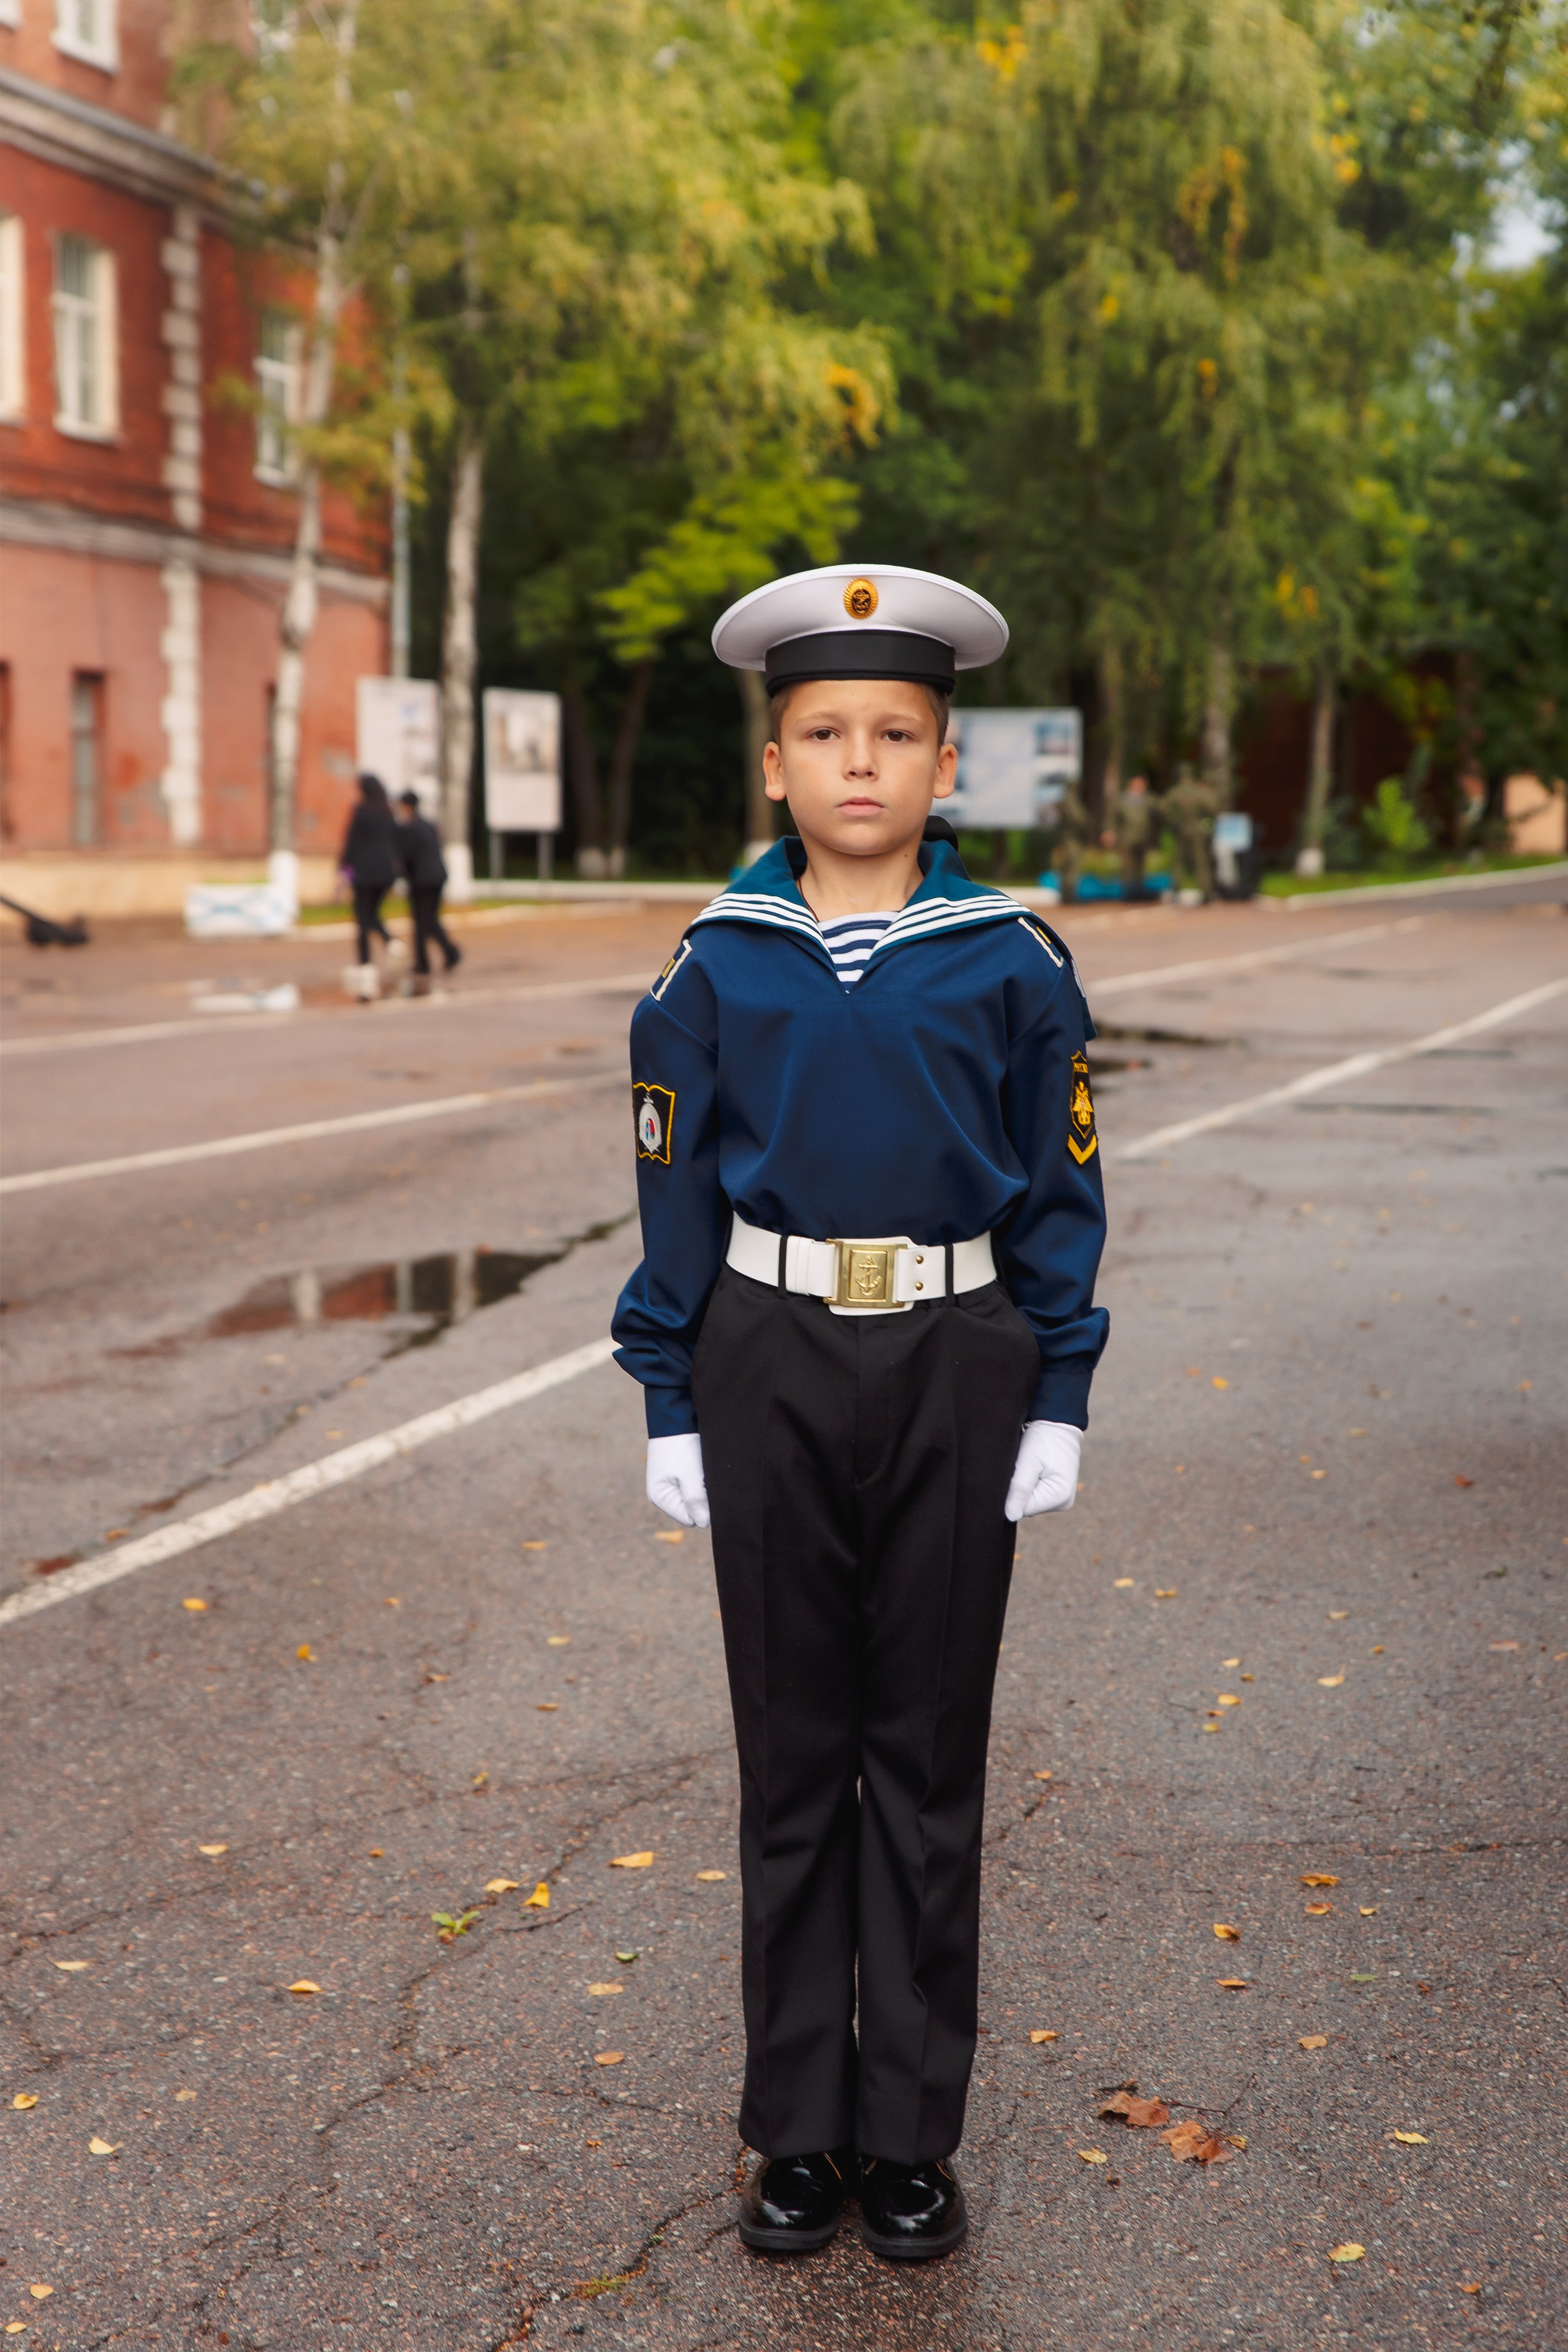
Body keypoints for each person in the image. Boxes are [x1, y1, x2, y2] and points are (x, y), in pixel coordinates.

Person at [611, 565, 1109, 2264]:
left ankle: (909, 2131)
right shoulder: (714, 967)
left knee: (927, 1757)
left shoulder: (1011, 960)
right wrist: (670, 1394)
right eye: (824, 732)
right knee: (793, 1758)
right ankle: (798, 2130)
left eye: (897, 733)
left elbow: (1060, 1184)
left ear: (946, 765)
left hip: (960, 1355)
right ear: (774, 765)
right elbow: (669, 1195)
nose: (861, 764)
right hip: (766, 1350)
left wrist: (1062, 1382)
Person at [339, 773, 403, 992]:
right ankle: (390, 942)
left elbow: (352, 844)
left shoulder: (362, 811)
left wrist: (345, 873)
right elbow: (398, 842)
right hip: (386, 874)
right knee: (372, 914)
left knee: (362, 918)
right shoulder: (388, 811)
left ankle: (366, 964)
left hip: (365, 873)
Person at [397, 790, 461, 985]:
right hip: (438, 876)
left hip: (422, 880)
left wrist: (401, 876)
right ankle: (442, 956)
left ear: (407, 807)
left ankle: (431, 960)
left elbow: (407, 856)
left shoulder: (410, 828)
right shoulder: (429, 825)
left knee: (422, 921)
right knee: (429, 919)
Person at [1163, 763, 1219, 900]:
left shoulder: (1175, 792)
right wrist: (1206, 822)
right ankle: (1206, 892)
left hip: (1181, 829)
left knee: (1179, 862)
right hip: (1198, 830)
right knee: (1201, 861)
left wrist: (1175, 824)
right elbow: (1213, 808)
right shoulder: (1200, 792)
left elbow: (1165, 810)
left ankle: (1176, 891)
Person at [1113, 771, 1155, 896]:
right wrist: (1110, 832)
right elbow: (1113, 818)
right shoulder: (1122, 800)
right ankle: (1127, 892)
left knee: (1139, 867)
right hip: (1127, 838)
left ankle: (1138, 891)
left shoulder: (1148, 800)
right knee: (1127, 866)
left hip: (1142, 838)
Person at [1050, 780, 1088, 902]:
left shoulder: (1067, 800)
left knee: (1068, 865)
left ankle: (1067, 894)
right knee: (1072, 865)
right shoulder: (1070, 800)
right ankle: (1068, 895)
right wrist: (1086, 823)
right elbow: (1078, 818)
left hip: (1069, 837)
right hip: (1071, 837)